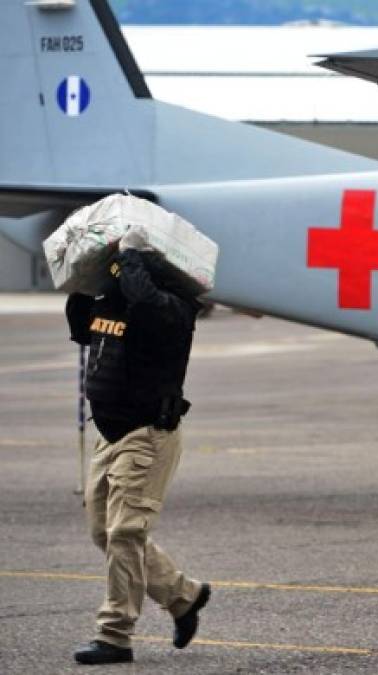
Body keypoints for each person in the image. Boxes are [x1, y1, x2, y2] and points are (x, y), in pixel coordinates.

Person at [66, 249, 211, 665]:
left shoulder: (172, 309)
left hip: (146, 435)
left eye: (131, 270)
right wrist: (81, 282)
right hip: (108, 434)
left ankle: (114, 635)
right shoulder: (115, 300)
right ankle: (184, 597)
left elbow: (149, 305)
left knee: (125, 533)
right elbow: (83, 330)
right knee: (102, 531)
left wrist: (132, 263)